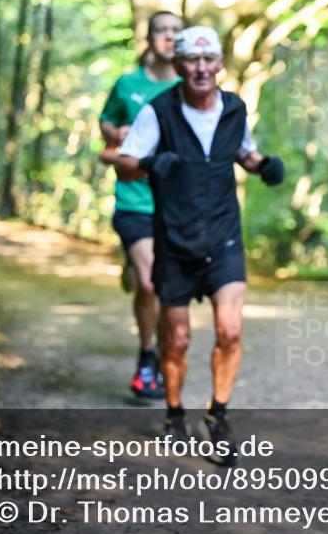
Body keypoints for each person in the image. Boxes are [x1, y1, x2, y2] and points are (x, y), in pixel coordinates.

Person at [111, 25, 285, 466]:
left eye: (209, 61)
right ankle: (173, 415)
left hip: (224, 237)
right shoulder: (158, 111)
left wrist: (263, 166)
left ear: (220, 64)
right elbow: (124, 165)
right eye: (192, 60)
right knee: (179, 340)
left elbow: (244, 152)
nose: (201, 69)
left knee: (230, 330)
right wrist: (151, 163)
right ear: (179, 64)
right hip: (174, 239)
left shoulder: (234, 109)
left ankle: (218, 416)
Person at [99, 10, 184, 399]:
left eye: (175, 31)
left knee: (170, 287)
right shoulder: (128, 84)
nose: (168, 37)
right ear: (148, 39)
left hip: (178, 205)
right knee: (150, 284)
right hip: (134, 201)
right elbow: (107, 124)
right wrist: (116, 133)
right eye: (161, 31)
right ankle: (148, 357)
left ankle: (168, 353)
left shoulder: (192, 87)